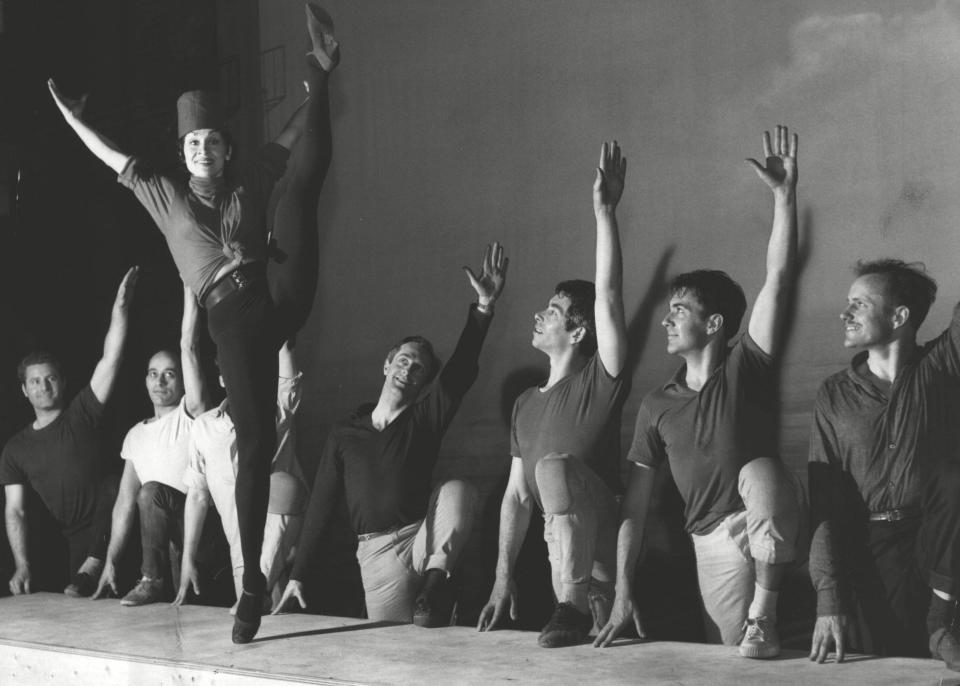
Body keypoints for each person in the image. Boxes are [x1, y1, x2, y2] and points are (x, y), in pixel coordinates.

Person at [48, 3, 339, 642]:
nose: (202, 150)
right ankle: (251, 587)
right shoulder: (165, 192)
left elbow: (293, 136)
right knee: (255, 443)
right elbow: (112, 156)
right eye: (192, 144)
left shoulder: (249, 179)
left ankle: (324, 64)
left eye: (211, 142)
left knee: (303, 186)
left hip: (278, 289)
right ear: (182, 155)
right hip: (232, 317)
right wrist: (74, 119)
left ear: (225, 148)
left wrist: (313, 93)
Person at [595, 126, 801, 659]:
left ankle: (766, 612)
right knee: (732, 661)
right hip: (708, 542)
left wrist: (784, 198)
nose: (667, 319)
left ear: (714, 325)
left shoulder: (745, 366)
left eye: (680, 310)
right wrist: (623, 588)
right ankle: (751, 628)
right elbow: (635, 508)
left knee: (761, 473)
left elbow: (777, 278)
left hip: (759, 521)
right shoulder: (657, 406)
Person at [274, 242, 508, 626]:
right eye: (403, 361)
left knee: (458, 490)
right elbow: (321, 503)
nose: (409, 370)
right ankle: (428, 608)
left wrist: (483, 308)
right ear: (387, 365)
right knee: (396, 658)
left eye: (419, 369)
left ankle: (436, 588)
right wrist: (298, 573)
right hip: (378, 556)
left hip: (423, 538)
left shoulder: (423, 419)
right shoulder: (345, 432)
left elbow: (460, 371)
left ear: (423, 383)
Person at [477, 142, 630, 648]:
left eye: (552, 309)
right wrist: (502, 576)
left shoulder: (600, 379)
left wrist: (604, 213)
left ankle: (575, 600)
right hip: (559, 548)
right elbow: (518, 498)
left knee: (554, 469)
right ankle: (571, 603)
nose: (539, 316)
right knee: (581, 656)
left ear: (580, 329)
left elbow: (607, 295)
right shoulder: (525, 402)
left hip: (602, 538)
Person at [808, 259, 960, 671]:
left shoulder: (943, 366)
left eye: (859, 304)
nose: (845, 313)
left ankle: (942, 620)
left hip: (939, 542)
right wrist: (829, 601)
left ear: (900, 316)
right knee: (883, 664)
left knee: (955, 478)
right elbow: (826, 505)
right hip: (870, 548)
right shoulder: (834, 395)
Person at [1, 267, 138, 597]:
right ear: (24, 390)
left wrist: (119, 310)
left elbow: (111, 358)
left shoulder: (82, 411)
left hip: (121, 526)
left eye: (50, 379)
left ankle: (96, 561)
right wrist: (22, 564)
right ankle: (89, 562)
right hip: (76, 542)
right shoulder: (15, 449)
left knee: (115, 480)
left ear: (62, 382)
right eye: (35, 381)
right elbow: (15, 511)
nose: (43, 386)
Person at [91, 286, 209, 605]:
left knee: (152, 490)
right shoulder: (135, 435)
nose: (160, 382)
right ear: (145, 381)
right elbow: (124, 502)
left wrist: (188, 291)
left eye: (170, 375)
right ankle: (154, 578)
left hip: (199, 532)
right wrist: (111, 561)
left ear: (183, 381)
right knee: (175, 626)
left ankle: (151, 579)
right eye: (153, 375)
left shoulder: (192, 414)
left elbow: (191, 346)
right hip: (163, 542)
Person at [174, 341, 308, 612]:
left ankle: (255, 591)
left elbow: (288, 369)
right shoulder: (205, 427)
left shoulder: (277, 411)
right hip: (242, 554)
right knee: (259, 636)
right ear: (223, 379)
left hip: (285, 535)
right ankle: (255, 591)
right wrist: (187, 557)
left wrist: (280, 326)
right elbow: (198, 494)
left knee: (284, 486)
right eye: (235, 373)